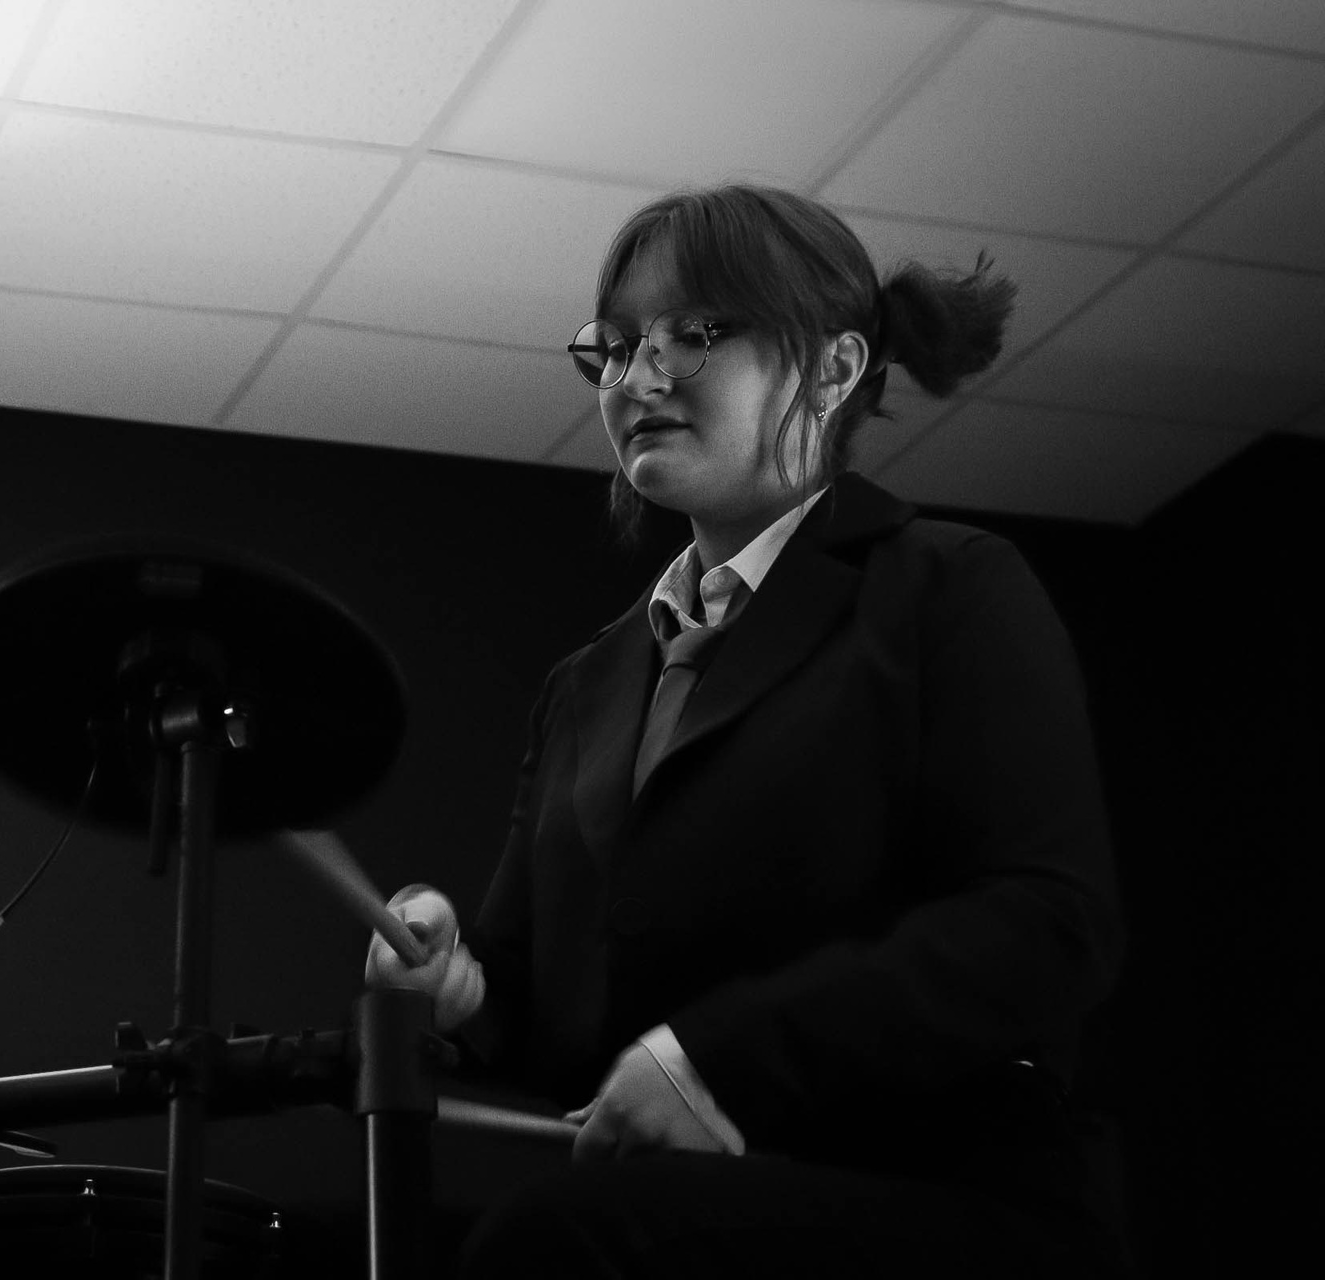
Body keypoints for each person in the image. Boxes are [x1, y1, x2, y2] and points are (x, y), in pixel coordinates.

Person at [365, 184, 1128, 1278]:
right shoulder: (586, 684)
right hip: (693, 1215)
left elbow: (1049, 924)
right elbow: (535, 1000)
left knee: (553, 1241)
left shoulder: (948, 586)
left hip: (945, 1196)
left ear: (832, 367)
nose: (636, 379)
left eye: (693, 334)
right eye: (616, 346)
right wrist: (456, 984)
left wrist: (716, 1059)